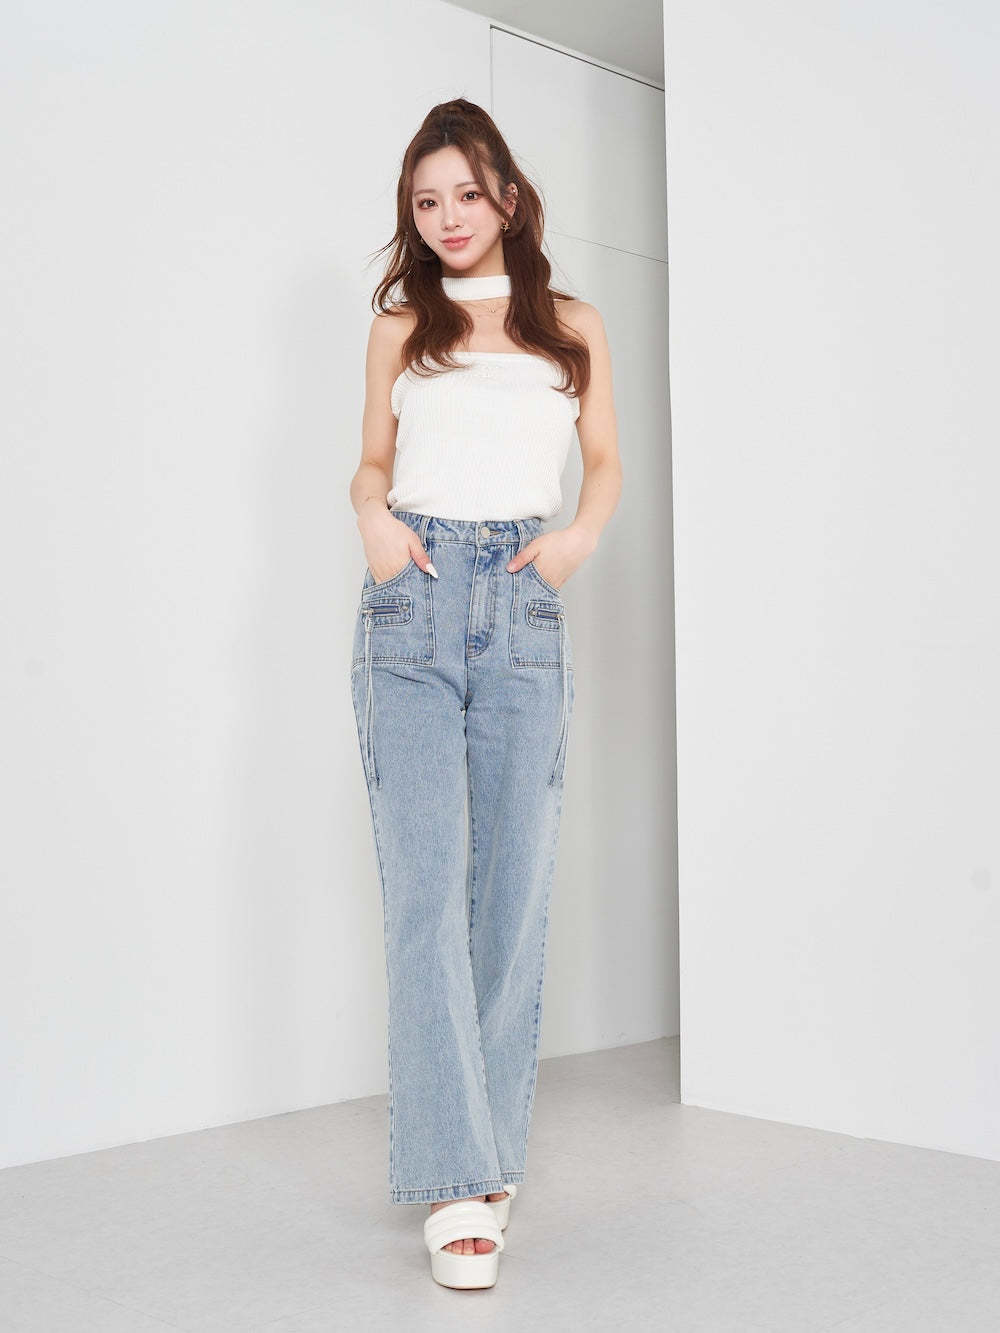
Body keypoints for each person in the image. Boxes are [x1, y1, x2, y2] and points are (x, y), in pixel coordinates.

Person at [348, 98, 622, 1290]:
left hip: (521, 598)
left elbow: (603, 459)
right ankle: (460, 1178)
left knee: (511, 891)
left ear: (507, 197)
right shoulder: (400, 326)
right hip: (409, 601)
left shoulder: (572, 325)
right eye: (426, 201)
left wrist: (574, 542)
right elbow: (370, 458)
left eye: (466, 193)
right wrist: (371, 517)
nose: (447, 217)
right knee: (424, 891)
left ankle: (484, 1149)